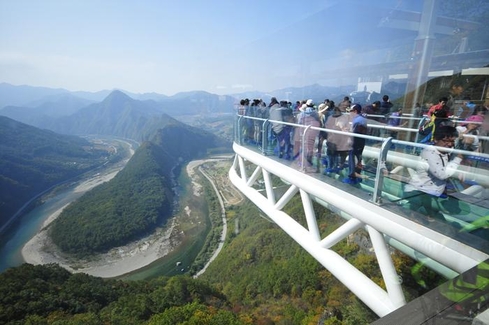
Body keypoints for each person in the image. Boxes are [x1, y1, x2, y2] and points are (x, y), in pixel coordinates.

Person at [404, 125, 463, 222]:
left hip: (430, 193)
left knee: (432, 219)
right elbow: (441, 175)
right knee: (409, 217)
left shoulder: (444, 152)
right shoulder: (430, 152)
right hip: (418, 193)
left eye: (452, 141)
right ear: (436, 140)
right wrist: (457, 159)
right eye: (446, 141)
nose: (449, 144)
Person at [344, 103, 367, 184]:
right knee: (359, 157)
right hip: (361, 141)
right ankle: (357, 173)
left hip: (355, 142)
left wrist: (347, 131)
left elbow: (354, 133)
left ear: (355, 111)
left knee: (352, 158)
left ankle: (352, 176)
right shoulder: (362, 119)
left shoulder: (357, 120)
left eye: (351, 111)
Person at [324, 107, 350, 174]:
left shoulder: (344, 118)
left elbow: (346, 128)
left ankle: (335, 169)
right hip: (332, 138)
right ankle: (331, 168)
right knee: (331, 153)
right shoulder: (331, 117)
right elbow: (327, 126)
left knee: (335, 154)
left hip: (339, 139)